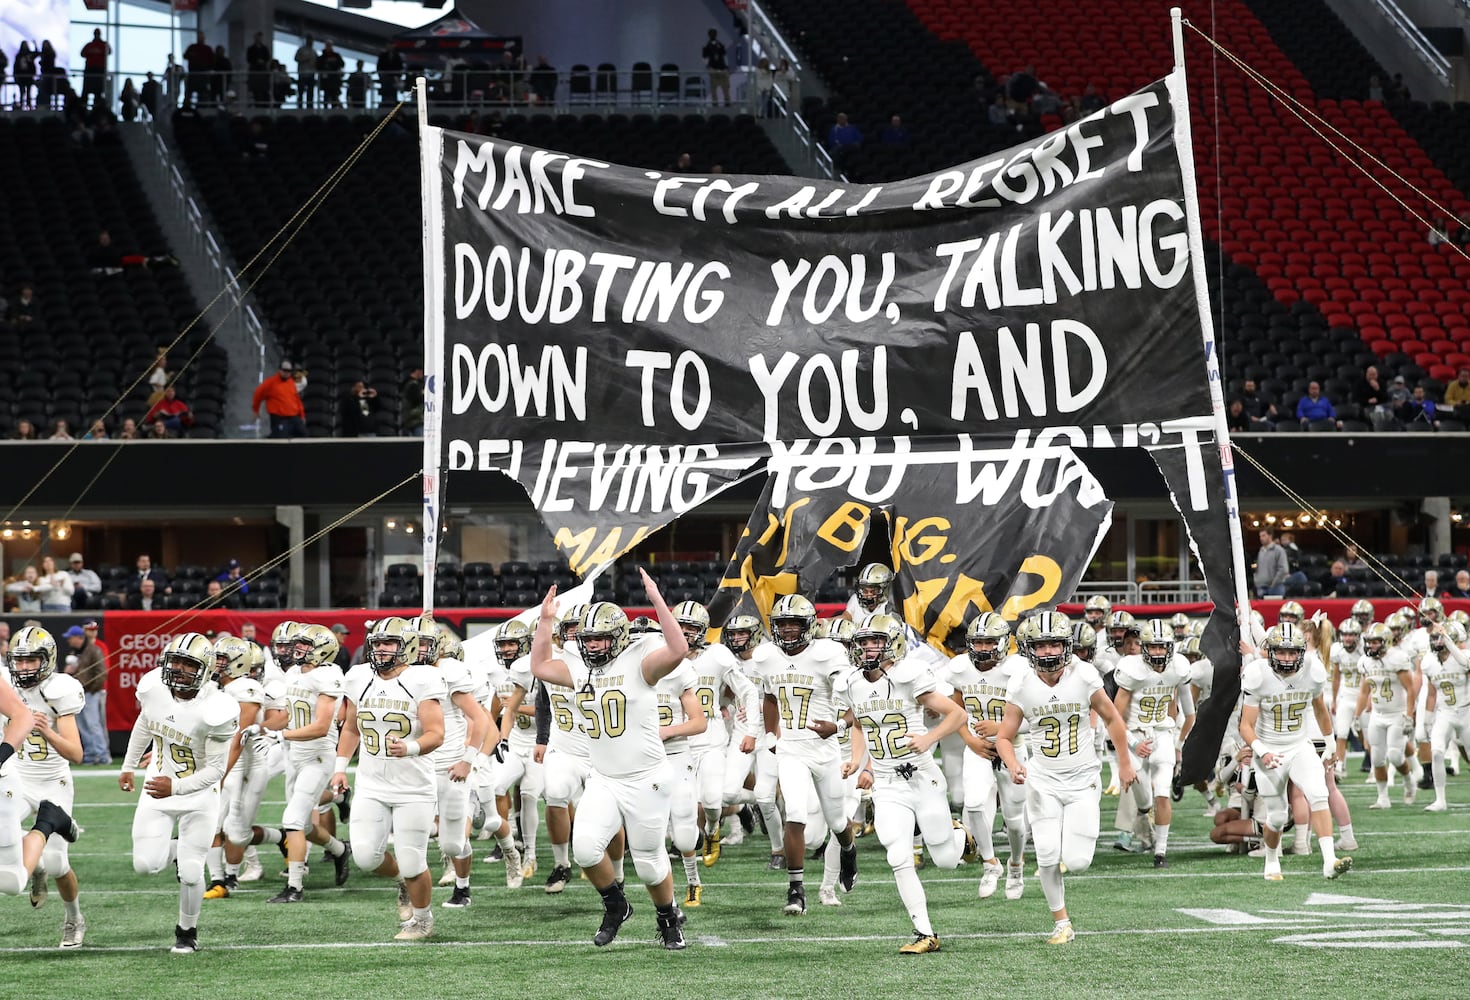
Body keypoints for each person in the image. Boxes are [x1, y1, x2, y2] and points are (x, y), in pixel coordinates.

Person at [528, 572, 693, 950]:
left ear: (619, 636)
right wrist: (546, 620)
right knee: (584, 848)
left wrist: (656, 599)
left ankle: (668, 917)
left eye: (601, 637)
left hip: (646, 776)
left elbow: (679, 648)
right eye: (587, 639)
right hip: (604, 777)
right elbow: (540, 666)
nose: (593, 645)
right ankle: (616, 905)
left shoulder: (641, 664)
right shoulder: (579, 666)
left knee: (650, 861)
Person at [995, 611, 1136, 943]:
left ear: (1066, 645)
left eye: (1054, 645)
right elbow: (1004, 736)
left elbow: (1113, 719)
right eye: (1041, 646)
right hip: (1043, 779)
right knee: (1045, 852)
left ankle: (1063, 906)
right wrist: (1013, 762)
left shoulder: (1084, 676)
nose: (1047, 653)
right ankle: (1061, 922)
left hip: (1083, 777)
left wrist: (1124, 763)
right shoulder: (1021, 684)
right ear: (1030, 648)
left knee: (1078, 861)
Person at [842, 613, 979, 954]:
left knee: (946, 859)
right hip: (887, 783)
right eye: (864, 642)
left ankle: (959, 835)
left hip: (921, 775)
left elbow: (958, 715)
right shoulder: (852, 682)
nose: (868, 648)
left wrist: (929, 737)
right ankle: (925, 932)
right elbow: (860, 725)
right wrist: (858, 761)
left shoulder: (908, 675)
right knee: (897, 856)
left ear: (894, 643)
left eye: (876, 641)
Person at [119, 633, 239, 952]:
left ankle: (187, 931)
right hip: (156, 787)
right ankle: (179, 849)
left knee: (190, 872)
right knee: (146, 865)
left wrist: (177, 787)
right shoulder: (154, 688)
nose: (180, 670)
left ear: (206, 669)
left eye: (189, 664)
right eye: (176, 662)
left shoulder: (217, 706)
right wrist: (128, 765)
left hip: (197, 795)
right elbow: (146, 722)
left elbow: (216, 770)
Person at [331, 617, 447, 941]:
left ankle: (422, 919)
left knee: (413, 861)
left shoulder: (423, 679)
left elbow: (437, 733)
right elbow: (351, 727)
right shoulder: (358, 677)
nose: (380, 649)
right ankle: (402, 882)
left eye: (389, 643)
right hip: (371, 783)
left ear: (406, 646)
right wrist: (340, 767)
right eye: (377, 642)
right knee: (365, 857)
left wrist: (410, 746)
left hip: (413, 787)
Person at [752, 593, 859, 916]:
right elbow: (770, 697)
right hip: (791, 750)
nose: (786, 630)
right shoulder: (767, 656)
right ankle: (796, 889)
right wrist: (772, 734)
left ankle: (849, 850)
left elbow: (858, 700)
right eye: (781, 624)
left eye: (793, 624)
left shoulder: (828, 654)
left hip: (825, 750)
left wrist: (838, 727)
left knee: (837, 821)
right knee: (795, 813)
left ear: (809, 626)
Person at [1241, 623, 1352, 880]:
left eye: (1293, 653)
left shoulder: (1312, 671)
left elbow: (1320, 709)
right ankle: (1270, 858)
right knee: (1277, 816)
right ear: (1270, 651)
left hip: (1300, 745)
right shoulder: (1258, 674)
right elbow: (1245, 725)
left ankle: (1328, 861)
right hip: (1269, 750)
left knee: (1319, 793)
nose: (1288, 658)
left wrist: (1330, 742)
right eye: (1282, 652)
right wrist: (1262, 751)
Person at [8, 627, 88, 946]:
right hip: (16, 777)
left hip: (53, 782)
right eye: (20, 661)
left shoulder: (59, 691)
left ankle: (74, 919)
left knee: (58, 864)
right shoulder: (6, 686)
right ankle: (34, 863)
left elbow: (76, 754)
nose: (25, 667)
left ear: (47, 660)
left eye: (32, 660)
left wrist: (47, 730)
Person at [407, 615, 489, 910]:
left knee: (452, 844)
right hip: (415, 766)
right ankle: (411, 890)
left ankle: (463, 887)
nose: (418, 651)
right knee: (412, 832)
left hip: (448, 765)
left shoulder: (449, 672)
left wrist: (468, 760)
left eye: (424, 644)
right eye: (413, 645)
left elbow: (480, 719)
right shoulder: (399, 674)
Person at [266, 624, 351, 902]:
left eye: (305, 645)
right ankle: (339, 850)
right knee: (301, 825)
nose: (297, 649)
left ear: (322, 650)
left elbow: (321, 726)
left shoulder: (328, 675)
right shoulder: (292, 672)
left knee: (291, 819)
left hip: (317, 754)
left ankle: (295, 887)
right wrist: (264, 729)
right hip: (294, 754)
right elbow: (289, 714)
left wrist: (282, 734)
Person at [949, 612, 1029, 900]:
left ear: (1004, 643)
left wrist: (1003, 727)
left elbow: (1035, 715)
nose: (982, 648)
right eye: (978, 642)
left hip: (1014, 748)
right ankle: (990, 863)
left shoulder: (1019, 669)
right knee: (972, 804)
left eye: (989, 642)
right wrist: (970, 740)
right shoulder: (960, 668)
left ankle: (1016, 865)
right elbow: (954, 712)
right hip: (979, 749)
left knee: (1015, 820)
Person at [1112, 620, 1195, 869]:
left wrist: (1178, 744)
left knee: (1162, 793)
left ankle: (1160, 852)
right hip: (1134, 734)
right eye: (1153, 646)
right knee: (1143, 799)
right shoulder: (1131, 668)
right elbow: (1114, 716)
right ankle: (1143, 813)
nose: (1158, 652)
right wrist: (1134, 743)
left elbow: (1189, 713)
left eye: (1162, 647)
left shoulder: (1179, 667)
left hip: (1162, 734)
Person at [1354, 622, 1417, 809]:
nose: (1371, 646)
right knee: (1377, 758)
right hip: (1377, 714)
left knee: (1396, 756)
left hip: (1397, 714)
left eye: (1376, 642)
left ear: (1386, 641)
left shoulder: (1396, 658)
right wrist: (1357, 717)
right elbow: (1364, 692)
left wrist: (1409, 715)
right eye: (1369, 642)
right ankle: (1382, 797)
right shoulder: (1365, 662)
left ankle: (1409, 781)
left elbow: (1410, 689)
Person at [1422, 621, 1469, 811]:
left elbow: (1465, 664)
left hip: (1466, 711)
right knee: (1437, 751)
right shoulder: (1429, 661)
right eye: (1435, 638)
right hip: (1445, 712)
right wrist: (1427, 717)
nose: (1437, 641)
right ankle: (1440, 800)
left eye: (1440, 637)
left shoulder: (1464, 656)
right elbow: (1432, 692)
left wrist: (1448, 640)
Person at [61, 625, 108, 763]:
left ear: (78, 638)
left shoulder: (93, 650)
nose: (69, 640)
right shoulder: (75, 652)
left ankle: (102, 755)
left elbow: (101, 673)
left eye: (71, 637)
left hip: (90, 693)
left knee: (93, 724)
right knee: (82, 725)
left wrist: (91, 688)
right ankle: (90, 755)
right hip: (78, 693)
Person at [253, 361, 307, 438]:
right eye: (284, 370)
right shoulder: (270, 383)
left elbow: (297, 400)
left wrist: (302, 415)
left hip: (293, 417)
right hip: (279, 418)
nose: (286, 373)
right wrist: (256, 410)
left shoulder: (291, 383)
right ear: (280, 370)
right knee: (281, 437)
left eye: (288, 371)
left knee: (303, 434)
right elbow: (258, 393)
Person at [80, 29, 110, 113]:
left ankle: (96, 109)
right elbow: (82, 53)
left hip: (99, 70)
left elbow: (109, 51)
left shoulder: (103, 44)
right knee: (86, 90)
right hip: (90, 70)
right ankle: (83, 109)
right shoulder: (89, 45)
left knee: (98, 92)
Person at [1254, 529, 1289, 598]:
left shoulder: (1279, 550)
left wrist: (1274, 583)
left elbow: (1283, 569)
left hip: (1276, 588)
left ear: (1270, 536)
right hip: (1261, 587)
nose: (1261, 538)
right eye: (1260, 536)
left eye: (1263, 535)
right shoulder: (1261, 551)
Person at [703, 29, 729, 105]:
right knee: (713, 86)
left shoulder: (720, 45)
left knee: (725, 86)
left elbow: (724, 56)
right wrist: (707, 66)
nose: (713, 35)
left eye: (714, 33)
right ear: (709, 35)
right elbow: (704, 57)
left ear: (716, 34)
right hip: (712, 68)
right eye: (711, 34)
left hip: (722, 67)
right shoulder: (706, 46)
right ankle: (715, 102)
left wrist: (727, 66)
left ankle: (727, 101)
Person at [295, 35, 317, 109]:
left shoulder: (314, 51)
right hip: (302, 73)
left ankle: (309, 106)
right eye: (309, 40)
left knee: (310, 92)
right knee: (301, 91)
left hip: (311, 74)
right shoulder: (301, 49)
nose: (311, 42)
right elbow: (296, 58)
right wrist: (305, 59)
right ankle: (300, 106)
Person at [401, 367, 425, 435]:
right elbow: (418, 399)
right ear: (417, 371)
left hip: (410, 419)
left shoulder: (407, 384)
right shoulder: (412, 385)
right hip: (416, 420)